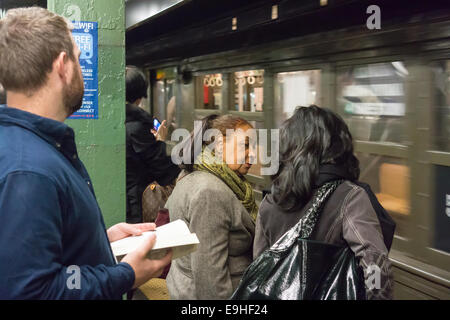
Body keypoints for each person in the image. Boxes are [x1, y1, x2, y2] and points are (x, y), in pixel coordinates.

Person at [0, 7, 172, 299]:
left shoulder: (25, 147)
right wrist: (126, 275)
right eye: (79, 60)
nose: (81, 69)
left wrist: (101, 243)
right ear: (63, 66)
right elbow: (35, 290)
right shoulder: (29, 170)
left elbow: (37, 260)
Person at [253, 105, 394, 300]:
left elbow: (260, 263)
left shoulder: (270, 200)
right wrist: (377, 296)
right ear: (337, 145)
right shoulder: (349, 197)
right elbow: (376, 265)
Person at [165, 114, 257, 299]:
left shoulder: (196, 172)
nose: (253, 154)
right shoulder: (210, 193)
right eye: (245, 145)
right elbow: (210, 278)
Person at [125, 66, 180, 224]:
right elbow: (162, 169)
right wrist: (160, 142)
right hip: (138, 205)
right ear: (140, 95)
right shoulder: (136, 127)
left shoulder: (116, 122)